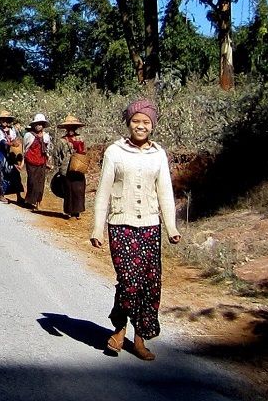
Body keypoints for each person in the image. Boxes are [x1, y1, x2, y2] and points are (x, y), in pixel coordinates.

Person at [91, 99, 181, 362]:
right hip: (121, 225)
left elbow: (165, 192)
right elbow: (103, 193)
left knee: (150, 285)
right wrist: (98, 228)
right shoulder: (114, 152)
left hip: (151, 227)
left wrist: (171, 226)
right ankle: (119, 329)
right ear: (128, 123)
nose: (140, 126)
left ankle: (139, 340)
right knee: (129, 281)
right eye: (135, 121)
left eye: (146, 122)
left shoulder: (158, 154)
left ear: (152, 126)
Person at [53, 114, 88, 219]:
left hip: (78, 168)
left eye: (73, 127)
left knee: (79, 189)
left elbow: (84, 151)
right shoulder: (62, 141)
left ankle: (77, 211)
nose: (71, 130)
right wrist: (60, 165)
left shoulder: (80, 138)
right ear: (66, 129)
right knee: (69, 190)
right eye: (69, 128)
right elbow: (56, 154)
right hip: (66, 169)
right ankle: (69, 211)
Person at [22, 113, 52, 211]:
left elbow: (47, 149)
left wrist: (48, 160)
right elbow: (25, 148)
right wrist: (23, 161)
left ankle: (38, 202)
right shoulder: (28, 135)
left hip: (42, 161)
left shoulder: (46, 136)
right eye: (37, 124)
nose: (39, 126)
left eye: (41, 124)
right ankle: (30, 200)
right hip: (31, 161)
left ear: (43, 125)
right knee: (32, 181)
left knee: (40, 183)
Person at [0, 111, 24, 204]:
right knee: (2, 174)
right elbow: (2, 141)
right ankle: (2, 195)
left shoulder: (12, 130)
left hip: (11, 155)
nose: (4, 121)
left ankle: (19, 196)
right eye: (3, 120)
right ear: (0, 121)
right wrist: (11, 143)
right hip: (1, 155)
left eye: (6, 120)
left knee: (15, 174)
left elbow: (15, 139)